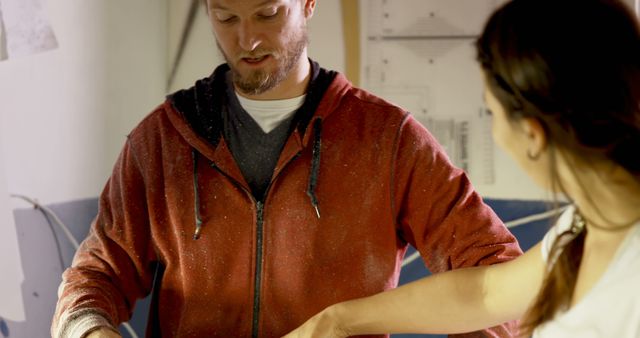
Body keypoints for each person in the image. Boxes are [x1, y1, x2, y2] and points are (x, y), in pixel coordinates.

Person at [51, 0, 523, 337]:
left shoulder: (387, 139)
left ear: (308, 4)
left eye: (268, 13)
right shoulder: (161, 141)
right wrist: (89, 331)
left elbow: (499, 276)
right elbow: (93, 280)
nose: (248, 38)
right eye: (226, 17)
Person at [283, 0, 640, 337]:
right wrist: (338, 320)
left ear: (533, 134)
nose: (497, 134)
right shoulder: (587, 226)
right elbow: (486, 295)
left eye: (491, 114)